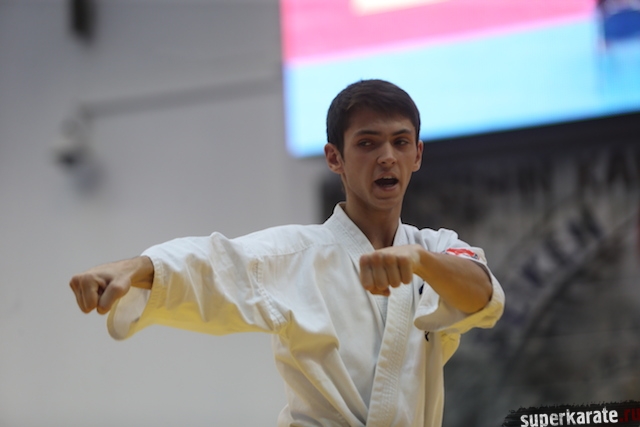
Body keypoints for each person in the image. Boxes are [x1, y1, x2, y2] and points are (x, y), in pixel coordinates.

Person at [69, 79, 504, 426]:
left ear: (418, 154)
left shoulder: (436, 249)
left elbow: (484, 298)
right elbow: (216, 263)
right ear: (335, 158)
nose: (387, 157)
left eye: (400, 142)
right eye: (367, 143)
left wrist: (419, 261)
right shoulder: (296, 255)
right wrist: (133, 267)